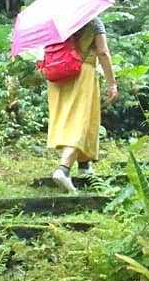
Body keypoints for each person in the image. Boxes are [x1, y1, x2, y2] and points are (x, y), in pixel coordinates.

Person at [44, 17, 117, 193]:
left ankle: (84, 165)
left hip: (58, 75)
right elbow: (103, 52)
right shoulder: (94, 22)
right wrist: (112, 83)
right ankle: (64, 169)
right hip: (81, 72)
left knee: (69, 119)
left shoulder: (56, 22)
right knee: (80, 121)